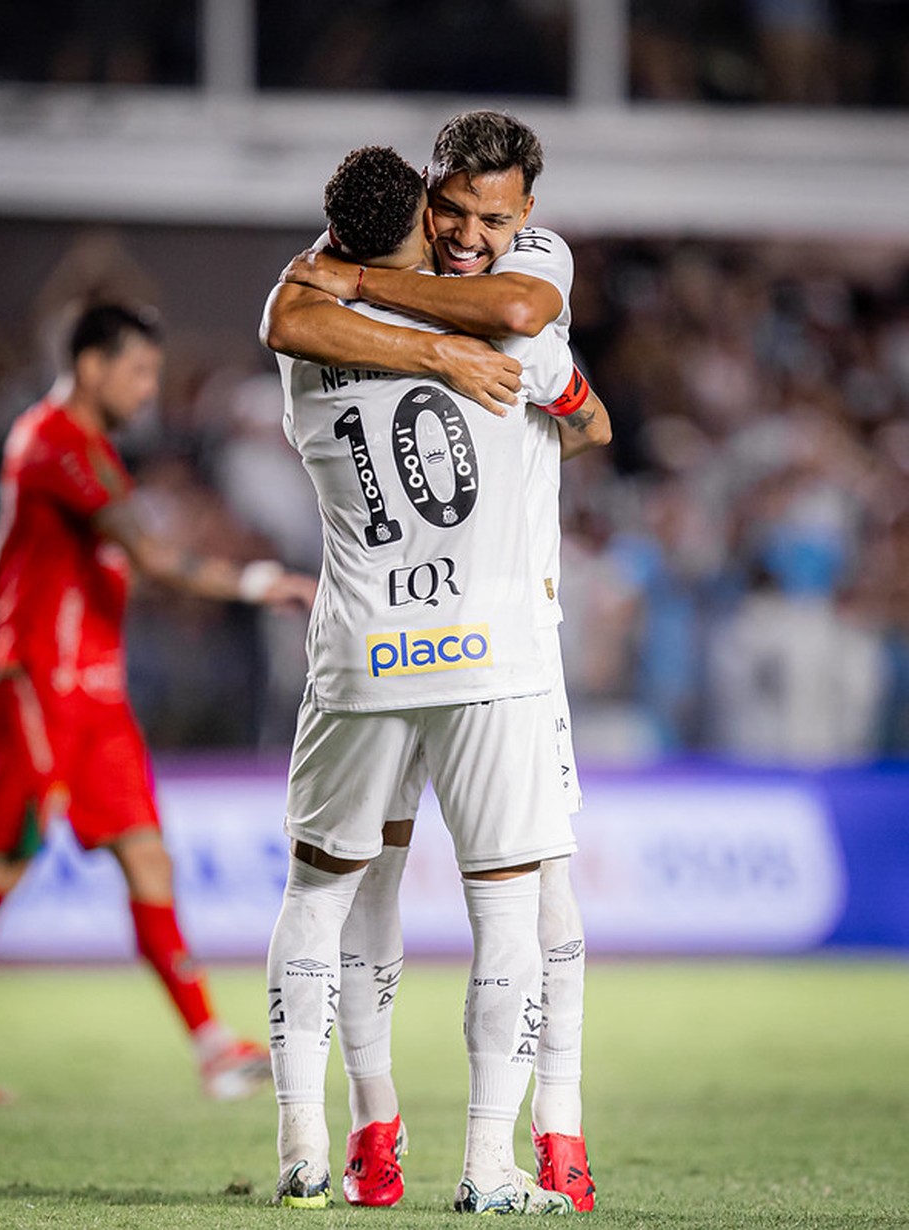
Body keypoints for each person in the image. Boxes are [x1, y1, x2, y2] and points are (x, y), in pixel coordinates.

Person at [264, 111, 607, 1213]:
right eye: (448, 212)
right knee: (523, 903)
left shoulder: (312, 326)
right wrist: (458, 352)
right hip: (492, 650)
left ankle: (322, 1147)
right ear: (424, 204)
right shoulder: (516, 329)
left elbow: (290, 310)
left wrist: (354, 285)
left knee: (329, 893)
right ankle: (502, 1157)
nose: (467, 233)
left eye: (487, 217)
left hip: (362, 657)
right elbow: (578, 407)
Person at [0, 302, 316, 1103]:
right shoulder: (56, 441)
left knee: (147, 857)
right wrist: (255, 581)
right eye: (138, 372)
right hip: (38, 686)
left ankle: (211, 1047)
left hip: (94, 693)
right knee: (1, 864)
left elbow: (2, 552)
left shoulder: (75, 447)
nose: (148, 390)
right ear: (93, 365)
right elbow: (149, 555)